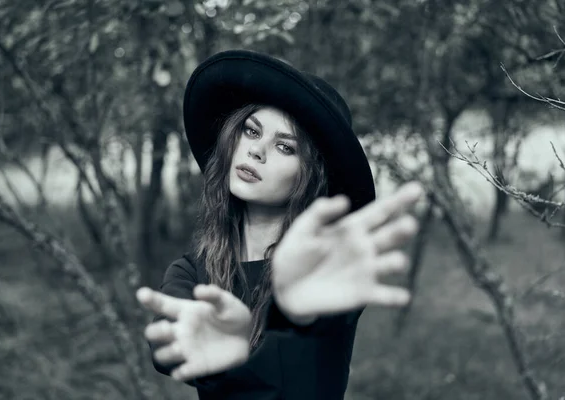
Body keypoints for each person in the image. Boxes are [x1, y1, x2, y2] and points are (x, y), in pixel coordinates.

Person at [135, 50, 423, 400]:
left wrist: (291, 319)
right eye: (251, 130)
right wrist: (200, 344)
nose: (257, 151)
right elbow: (167, 342)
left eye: (285, 147)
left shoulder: (324, 270)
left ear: (310, 177)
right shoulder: (192, 272)